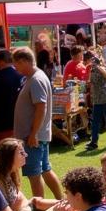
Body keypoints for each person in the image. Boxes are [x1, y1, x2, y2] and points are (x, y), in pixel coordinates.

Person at [12, 46, 63, 202]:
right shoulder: (34, 77)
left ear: (24, 61)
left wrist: (33, 133)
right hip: (35, 135)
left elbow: (41, 107)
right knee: (45, 169)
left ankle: (40, 207)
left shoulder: (36, 79)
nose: (16, 68)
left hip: (32, 136)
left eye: (17, 64)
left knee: (34, 174)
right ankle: (61, 201)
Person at [86, 50, 106, 150]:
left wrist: (98, 67)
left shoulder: (104, 68)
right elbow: (91, 83)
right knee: (95, 122)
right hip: (97, 99)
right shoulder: (92, 70)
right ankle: (94, 142)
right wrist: (90, 95)